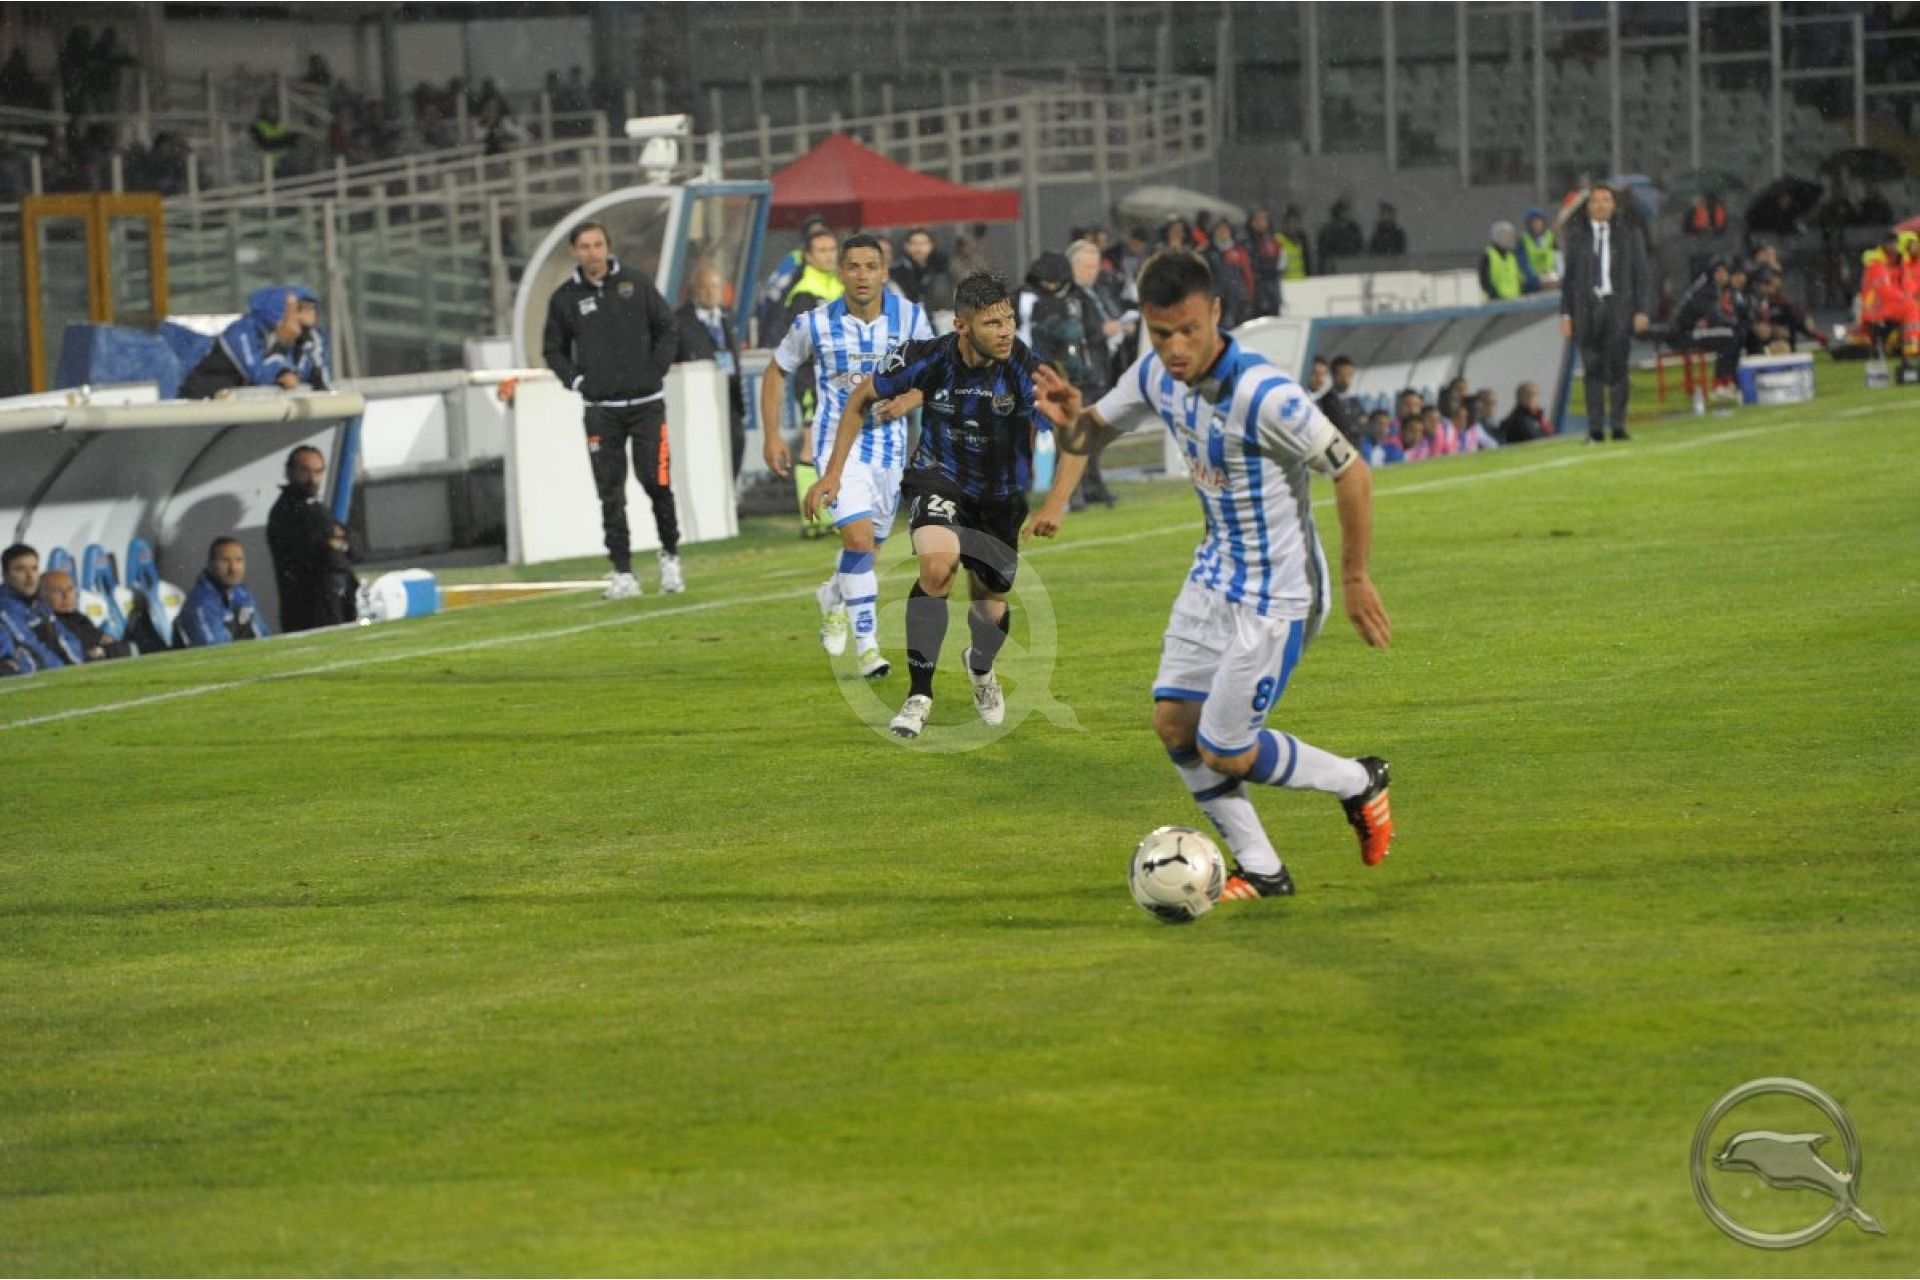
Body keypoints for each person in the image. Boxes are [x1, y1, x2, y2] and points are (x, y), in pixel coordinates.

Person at [1034, 249, 1394, 900]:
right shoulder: (1154, 374)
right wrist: (1070, 424)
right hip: (1214, 572)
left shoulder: (1265, 395)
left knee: (1226, 749)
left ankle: (1358, 781)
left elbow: (1352, 472)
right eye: (1160, 333)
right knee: (1174, 725)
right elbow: (1090, 436)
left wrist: (1355, 578)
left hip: (1278, 592)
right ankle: (1262, 870)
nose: (1175, 348)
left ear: (1217, 314)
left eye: (1188, 331)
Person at [807, 271, 1079, 739]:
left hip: (999, 497)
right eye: (992, 323)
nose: (1006, 331)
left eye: (1009, 320)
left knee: (990, 608)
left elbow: (1077, 434)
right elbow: (861, 397)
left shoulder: (1027, 371)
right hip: (939, 476)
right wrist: (832, 473)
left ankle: (981, 666)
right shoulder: (927, 357)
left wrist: (1054, 504)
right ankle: (919, 696)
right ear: (961, 326)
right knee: (937, 568)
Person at [763, 234, 934, 680]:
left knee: (867, 551)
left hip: (890, 450)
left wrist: (907, 402)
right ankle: (868, 648)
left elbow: (936, 374)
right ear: (840, 273)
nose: (862, 275)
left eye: (870, 267)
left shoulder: (911, 317)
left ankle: (833, 595)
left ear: (884, 272)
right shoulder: (814, 323)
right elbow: (777, 369)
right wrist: (772, 436)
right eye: (853, 267)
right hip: (836, 448)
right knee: (857, 541)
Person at [542, 219, 684, 599]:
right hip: (601, 411)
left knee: (657, 482)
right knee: (610, 492)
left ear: (608, 246)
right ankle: (623, 573)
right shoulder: (564, 299)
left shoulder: (636, 284)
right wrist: (577, 382)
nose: (593, 253)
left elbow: (668, 327)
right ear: (574, 252)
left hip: (647, 406)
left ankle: (670, 557)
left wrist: (655, 370)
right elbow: (553, 350)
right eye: (585, 246)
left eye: (598, 245)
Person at [1559, 183, 1651, 443]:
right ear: (1588, 207)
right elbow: (1569, 280)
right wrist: (1566, 315)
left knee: (1618, 368)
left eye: (1605, 200)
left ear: (1613, 205)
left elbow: (1642, 273)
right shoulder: (1577, 238)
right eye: (1595, 200)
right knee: (1592, 370)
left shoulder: (1629, 234)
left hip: (1618, 308)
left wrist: (1642, 309)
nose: (1600, 205)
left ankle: (1618, 426)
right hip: (1587, 310)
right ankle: (1596, 430)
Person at [267, 445, 357, 632]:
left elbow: (353, 547)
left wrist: (337, 546)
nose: (312, 479)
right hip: (307, 613)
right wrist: (335, 548)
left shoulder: (316, 507)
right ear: (289, 472)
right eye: (305, 471)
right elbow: (324, 559)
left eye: (317, 472)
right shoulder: (284, 513)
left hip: (332, 605)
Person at [674, 265, 748, 480]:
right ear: (695, 291)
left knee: (735, 448)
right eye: (704, 287)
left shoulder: (728, 317)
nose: (710, 292)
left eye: (714, 287)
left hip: (730, 400)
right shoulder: (679, 321)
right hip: (699, 403)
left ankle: (729, 493)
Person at [178, 285, 315, 399]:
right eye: (299, 309)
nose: (307, 315)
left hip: (235, 404)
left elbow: (298, 375)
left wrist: (303, 338)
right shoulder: (241, 331)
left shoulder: (281, 336)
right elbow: (258, 376)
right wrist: (282, 344)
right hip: (199, 403)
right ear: (279, 309)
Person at [174, 538, 268, 647]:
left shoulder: (242, 593)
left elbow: (265, 638)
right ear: (210, 564)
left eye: (239, 560)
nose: (233, 568)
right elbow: (215, 651)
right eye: (225, 561)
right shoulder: (200, 603)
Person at [1, 543, 80, 670]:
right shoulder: (5, 609)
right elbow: (30, 648)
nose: (30, 576)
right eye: (20, 570)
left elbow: (67, 639)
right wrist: (62, 670)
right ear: (5, 574)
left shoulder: (40, 606)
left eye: (34, 568)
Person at [38, 568, 129, 661]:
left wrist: (102, 651)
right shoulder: (44, 625)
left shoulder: (77, 617)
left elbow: (112, 643)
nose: (66, 596)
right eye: (58, 591)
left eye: (69, 589)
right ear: (42, 595)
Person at [891, 227, 955, 311]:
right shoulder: (897, 273)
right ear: (906, 246)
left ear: (932, 245)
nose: (918, 248)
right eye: (914, 243)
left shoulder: (942, 269)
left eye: (923, 243)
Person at [1479, 221, 1532, 301]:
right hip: (1497, 301)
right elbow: (1485, 281)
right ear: (1499, 236)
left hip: (1515, 300)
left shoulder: (1512, 255)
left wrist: (1522, 292)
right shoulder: (1488, 255)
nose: (1511, 239)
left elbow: (1519, 277)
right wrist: (1495, 295)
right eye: (1507, 236)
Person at [1246, 207, 1284, 317]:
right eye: (1258, 219)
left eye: (1263, 219)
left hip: (1271, 289)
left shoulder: (1273, 241)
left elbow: (1280, 262)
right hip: (1255, 291)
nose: (1261, 223)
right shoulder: (1247, 242)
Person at [1520, 207, 1560, 288]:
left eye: (1539, 222)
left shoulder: (1550, 236)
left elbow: (1558, 257)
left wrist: (1559, 276)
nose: (1537, 225)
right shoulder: (1523, 240)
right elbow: (1524, 263)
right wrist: (1535, 280)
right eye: (1533, 223)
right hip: (1535, 281)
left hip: (1552, 278)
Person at [1277, 206, 1312, 280]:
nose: (1293, 226)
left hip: (1301, 280)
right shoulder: (1279, 239)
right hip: (1285, 281)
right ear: (1285, 224)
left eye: (1295, 223)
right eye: (1290, 223)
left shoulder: (1302, 238)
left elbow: (1307, 262)